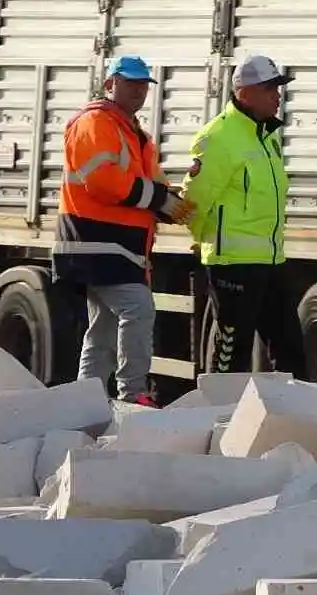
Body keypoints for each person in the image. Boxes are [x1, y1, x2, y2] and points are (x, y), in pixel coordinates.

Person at [54, 54, 193, 407]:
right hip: (96, 244)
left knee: (101, 330)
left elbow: (152, 184)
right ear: (109, 84)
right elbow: (102, 180)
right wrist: (160, 199)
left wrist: (174, 200)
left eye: (143, 84)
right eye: (130, 82)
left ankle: (86, 402)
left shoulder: (135, 135)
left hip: (116, 248)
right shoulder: (95, 123)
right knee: (138, 309)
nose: (139, 90)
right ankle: (132, 395)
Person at [181, 54, 298, 375]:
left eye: (279, 88)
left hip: (271, 261)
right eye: (270, 88)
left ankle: (291, 421)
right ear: (244, 92)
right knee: (232, 357)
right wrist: (207, 244)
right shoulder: (217, 137)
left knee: (291, 352)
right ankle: (222, 419)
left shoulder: (267, 136)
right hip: (233, 265)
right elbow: (193, 201)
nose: (278, 96)